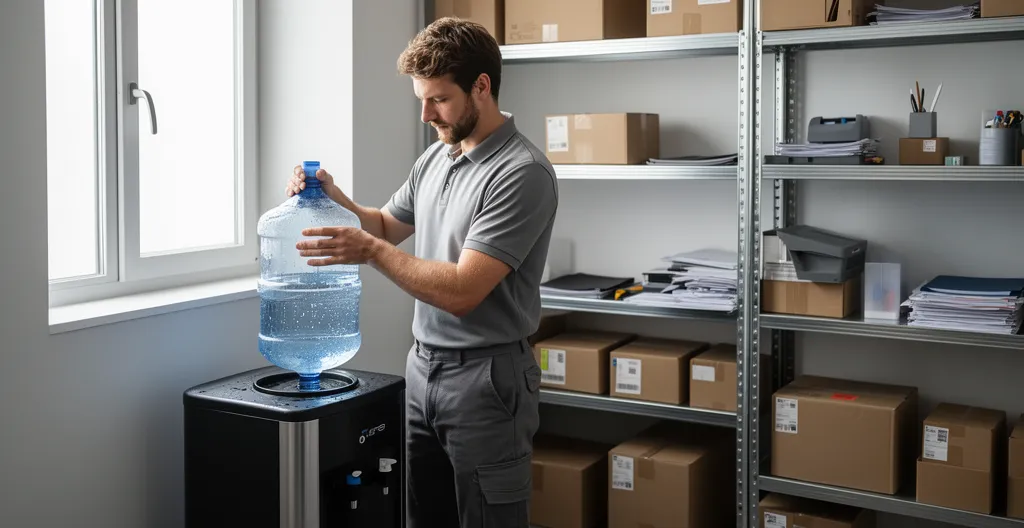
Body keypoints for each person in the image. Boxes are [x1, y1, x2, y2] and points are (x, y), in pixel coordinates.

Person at [285, 17, 558, 528]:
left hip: (487, 379)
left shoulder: (521, 173)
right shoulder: (436, 157)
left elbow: (462, 292)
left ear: (482, 87)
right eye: (421, 99)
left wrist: (368, 251)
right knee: (421, 516)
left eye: (439, 99)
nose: (426, 114)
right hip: (422, 369)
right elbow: (386, 225)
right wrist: (328, 193)